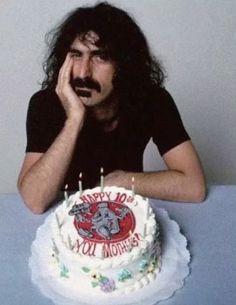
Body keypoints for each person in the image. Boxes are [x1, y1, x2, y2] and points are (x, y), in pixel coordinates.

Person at [17, 2, 206, 214]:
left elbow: (194, 187)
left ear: (125, 64)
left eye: (101, 57)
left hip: (124, 215)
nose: (83, 73)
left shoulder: (152, 100)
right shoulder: (45, 104)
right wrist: (74, 120)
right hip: (63, 223)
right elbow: (34, 200)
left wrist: (123, 181)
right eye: (76, 55)